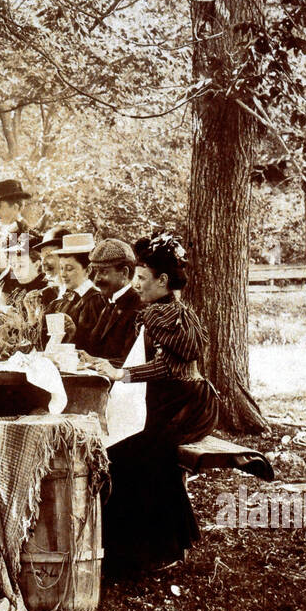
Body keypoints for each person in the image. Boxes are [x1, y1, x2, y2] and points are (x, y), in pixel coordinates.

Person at [90, 232, 219, 574]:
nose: (136, 285)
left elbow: (169, 368)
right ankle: (162, 546)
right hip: (177, 400)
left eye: (142, 279)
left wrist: (121, 374)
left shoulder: (163, 315)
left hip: (187, 405)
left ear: (163, 281)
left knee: (129, 458)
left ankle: (142, 553)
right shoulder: (167, 310)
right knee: (136, 454)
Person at [86, 238, 142, 365]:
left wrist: (93, 362)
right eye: (96, 272)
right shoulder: (108, 304)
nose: (96, 279)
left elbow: (132, 363)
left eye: (104, 272)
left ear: (124, 272)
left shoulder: (138, 308)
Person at [53, 233, 106, 353]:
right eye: (61, 268)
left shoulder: (95, 300)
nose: (63, 274)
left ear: (88, 269)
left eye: (69, 268)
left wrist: (73, 332)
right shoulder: (65, 299)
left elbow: (94, 346)